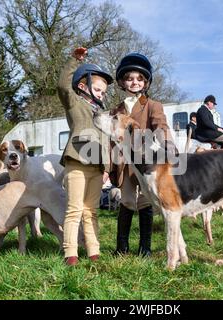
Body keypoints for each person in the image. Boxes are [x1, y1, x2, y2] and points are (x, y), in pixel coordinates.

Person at [110, 53, 173, 257]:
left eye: (139, 79)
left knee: (146, 202)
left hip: (146, 162)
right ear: (122, 81)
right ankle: (122, 248)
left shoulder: (153, 105)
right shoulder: (116, 110)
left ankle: (145, 248)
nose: (134, 82)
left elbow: (161, 127)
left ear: (145, 82)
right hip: (124, 163)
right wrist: (106, 168)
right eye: (129, 78)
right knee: (127, 201)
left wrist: (168, 146)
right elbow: (110, 140)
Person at [57, 47, 113, 266]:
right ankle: (70, 253)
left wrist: (107, 168)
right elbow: (62, 85)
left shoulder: (103, 114)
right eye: (98, 90)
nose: (101, 94)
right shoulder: (74, 102)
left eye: (103, 92)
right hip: (77, 162)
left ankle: (94, 252)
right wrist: (74, 60)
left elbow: (107, 142)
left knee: (92, 211)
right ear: (83, 86)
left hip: (97, 167)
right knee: (74, 210)